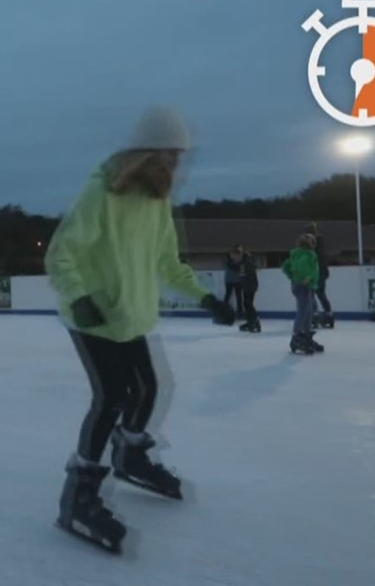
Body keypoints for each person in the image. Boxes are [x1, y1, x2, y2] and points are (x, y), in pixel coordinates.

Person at [44, 106, 235, 553]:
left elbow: (167, 262)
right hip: (93, 315)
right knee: (112, 397)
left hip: (129, 316)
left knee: (148, 389)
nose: (176, 165)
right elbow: (60, 254)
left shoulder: (156, 201)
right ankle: (79, 496)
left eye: (179, 156)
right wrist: (80, 297)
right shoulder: (101, 194)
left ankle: (129, 455)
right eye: (170, 155)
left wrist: (205, 297)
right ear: (146, 154)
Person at [281, 234, 323, 354]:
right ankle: (297, 336)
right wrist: (306, 277)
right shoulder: (308, 254)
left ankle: (305, 335)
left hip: (301, 285)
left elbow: (286, 266)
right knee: (304, 311)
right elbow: (301, 265)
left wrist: (293, 277)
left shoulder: (297, 253)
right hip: (304, 285)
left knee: (308, 310)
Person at [305, 222, 334, 329]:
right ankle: (328, 314)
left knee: (311, 293)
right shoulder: (321, 245)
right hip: (323, 272)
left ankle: (314, 315)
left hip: (315, 273)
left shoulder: (311, 247)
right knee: (321, 294)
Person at [236, 245, 261, 333]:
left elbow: (246, 273)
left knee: (248, 303)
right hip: (249, 285)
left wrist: (241, 275)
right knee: (247, 303)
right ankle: (251, 321)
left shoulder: (245, 262)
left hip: (249, 285)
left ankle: (254, 321)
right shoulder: (247, 261)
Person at [223, 248, 244, 319]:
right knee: (228, 295)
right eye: (232, 254)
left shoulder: (234, 261)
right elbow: (235, 268)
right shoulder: (229, 261)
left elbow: (239, 268)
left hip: (235, 280)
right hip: (230, 281)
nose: (234, 255)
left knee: (238, 297)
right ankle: (223, 310)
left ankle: (240, 312)